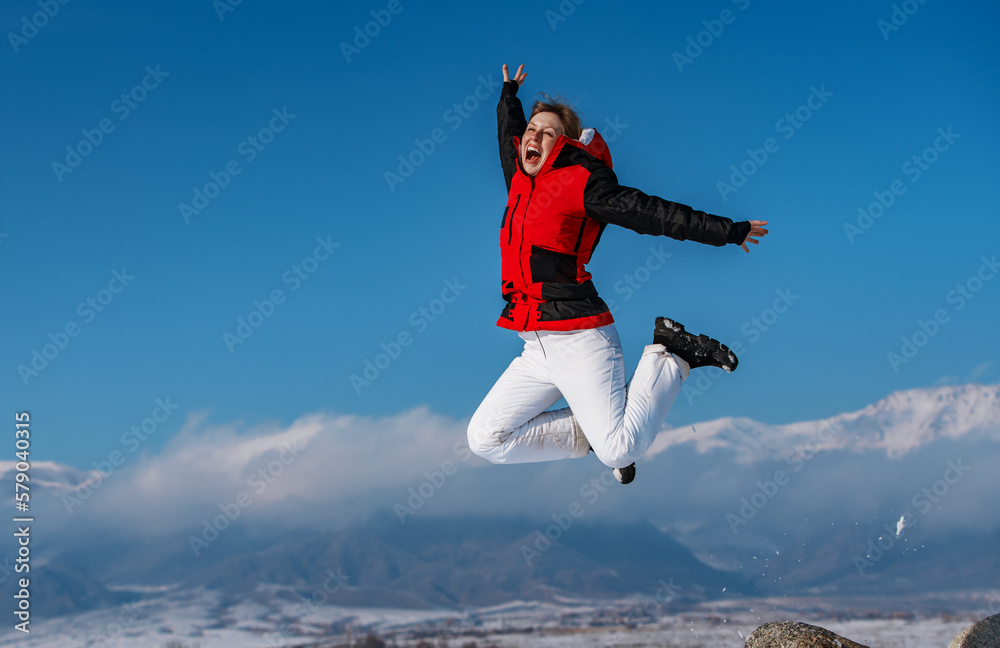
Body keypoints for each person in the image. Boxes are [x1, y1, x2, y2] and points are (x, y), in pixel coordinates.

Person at [467, 64, 768, 484]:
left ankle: (672, 353)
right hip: (535, 345)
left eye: (547, 133)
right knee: (486, 439)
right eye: (532, 130)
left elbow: (653, 213)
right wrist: (508, 96)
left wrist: (728, 231)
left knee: (621, 449)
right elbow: (508, 133)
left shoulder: (583, 185)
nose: (533, 137)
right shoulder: (519, 177)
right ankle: (587, 435)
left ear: (562, 145)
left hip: (581, 337)